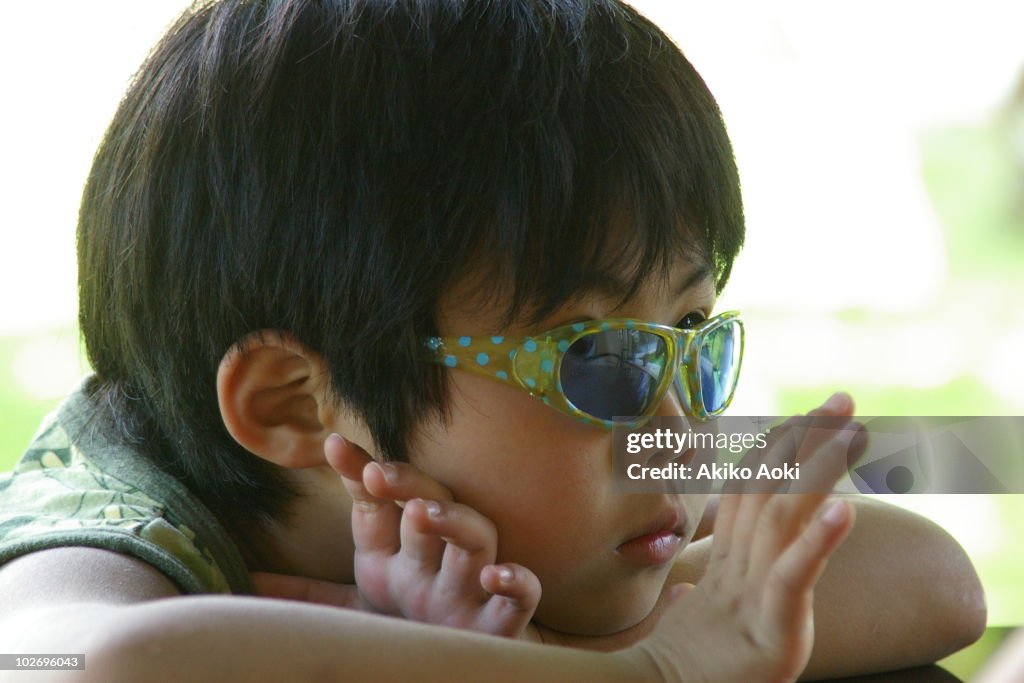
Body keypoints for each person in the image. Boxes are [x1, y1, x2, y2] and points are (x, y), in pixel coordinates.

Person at [0, 0, 985, 680]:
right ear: (296, 403)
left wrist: (521, 652)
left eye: (690, 329)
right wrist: (661, 663)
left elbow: (935, 574)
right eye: (589, 356)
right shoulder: (117, 509)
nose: (677, 420)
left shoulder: (644, 439)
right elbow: (79, 661)